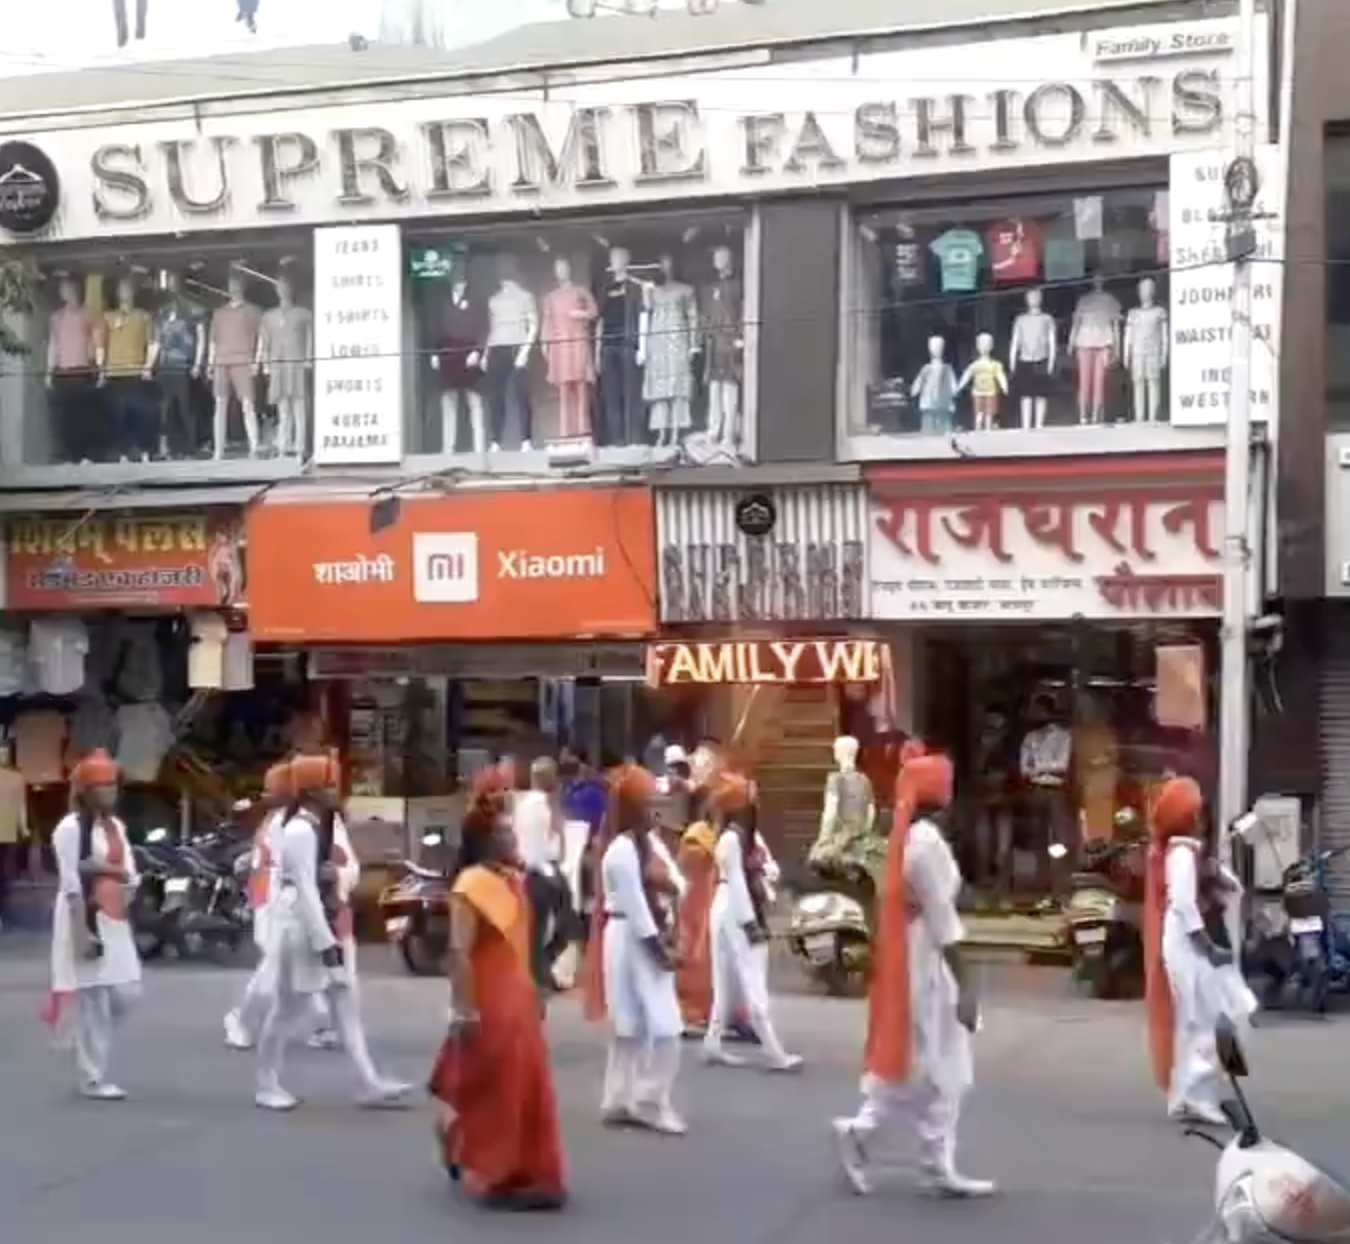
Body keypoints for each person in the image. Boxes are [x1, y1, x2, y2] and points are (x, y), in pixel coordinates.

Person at [832, 742, 994, 1198]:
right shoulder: (925, 845)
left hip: (916, 956)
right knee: (944, 1067)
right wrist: (967, 986)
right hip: (927, 962)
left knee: (921, 1064)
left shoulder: (912, 837)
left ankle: (876, 1136)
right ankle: (918, 1155)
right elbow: (944, 922)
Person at [429, 771, 566, 1210]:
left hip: (520, 997)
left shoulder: (515, 880)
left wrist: (538, 987)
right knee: (499, 1089)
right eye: (505, 832)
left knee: (530, 1088)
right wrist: (463, 1009)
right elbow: (459, 952)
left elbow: (526, 944)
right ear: (487, 841)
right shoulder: (470, 886)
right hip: (488, 1001)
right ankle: (495, 1172)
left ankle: (529, 1169)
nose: (513, 838)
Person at [254, 752, 411, 1111]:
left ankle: (368, 1082)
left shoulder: (325, 823)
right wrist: (325, 943)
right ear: (311, 790)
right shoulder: (298, 830)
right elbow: (305, 891)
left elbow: (338, 873)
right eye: (328, 783)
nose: (335, 790)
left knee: (345, 1007)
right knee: (285, 1009)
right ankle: (266, 1083)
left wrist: (337, 882)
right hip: (304, 929)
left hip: (330, 923)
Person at [1144, 776, 1255, 1126]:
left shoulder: (1192, 853)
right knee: (1203, 1021)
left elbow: (1234, 889)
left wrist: (1214, 866)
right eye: (1197, 810)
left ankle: (1189, 1095)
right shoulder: (1180, 853)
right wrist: (1207, 947)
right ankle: (1196, 1097)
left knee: (1214, 1017)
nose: (1202, 816)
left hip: (1198, 942)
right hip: (1190, 944)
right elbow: (1183, 904)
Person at [44, 750, 141, 1100]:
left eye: (113, 785)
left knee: (127, 992)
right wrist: (80, 931)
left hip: (115, 915)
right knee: (94, 997)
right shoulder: (70, 829)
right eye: (102, 786)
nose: (110, 792)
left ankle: (85, 1037)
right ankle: (92, 1076)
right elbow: (71, 881)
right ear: (86, 791)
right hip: (84, 915)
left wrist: (115, 874)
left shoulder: (117, 827)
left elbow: (129, 871)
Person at [597, 764, 687, 1133]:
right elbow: (635, 906)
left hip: (648, 933)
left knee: (648, 1025)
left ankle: (623, 1099)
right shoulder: (621, 850)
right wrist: (660, 952)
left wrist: (666, 883)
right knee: (648, 1026)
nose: (657, 807)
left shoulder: (653, 843)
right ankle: (642, 1102)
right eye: (650, 801)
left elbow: (679, 883)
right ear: (634, 807)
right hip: (628, 936)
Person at [702, 772, 802, 1071]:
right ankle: (774, 1052)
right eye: (751, 796)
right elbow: (736, 883)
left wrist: (767, 873)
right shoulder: (733, 839)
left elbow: (768, 865)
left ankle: (713, 1042)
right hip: (735, 909)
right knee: (752, 978)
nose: (756, 801)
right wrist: (750, 924)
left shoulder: (745, 837)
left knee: (725, 982)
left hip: (729, 907)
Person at [513, 757, 572, 994]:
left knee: (536, 930)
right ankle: (540, 971)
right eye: (554, 776)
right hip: (546, 871)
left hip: (528, 871)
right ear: (548, 779)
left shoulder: (522, 805)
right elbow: (558, 833)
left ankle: (538, 973)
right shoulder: (547, 805)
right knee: (566, 924)